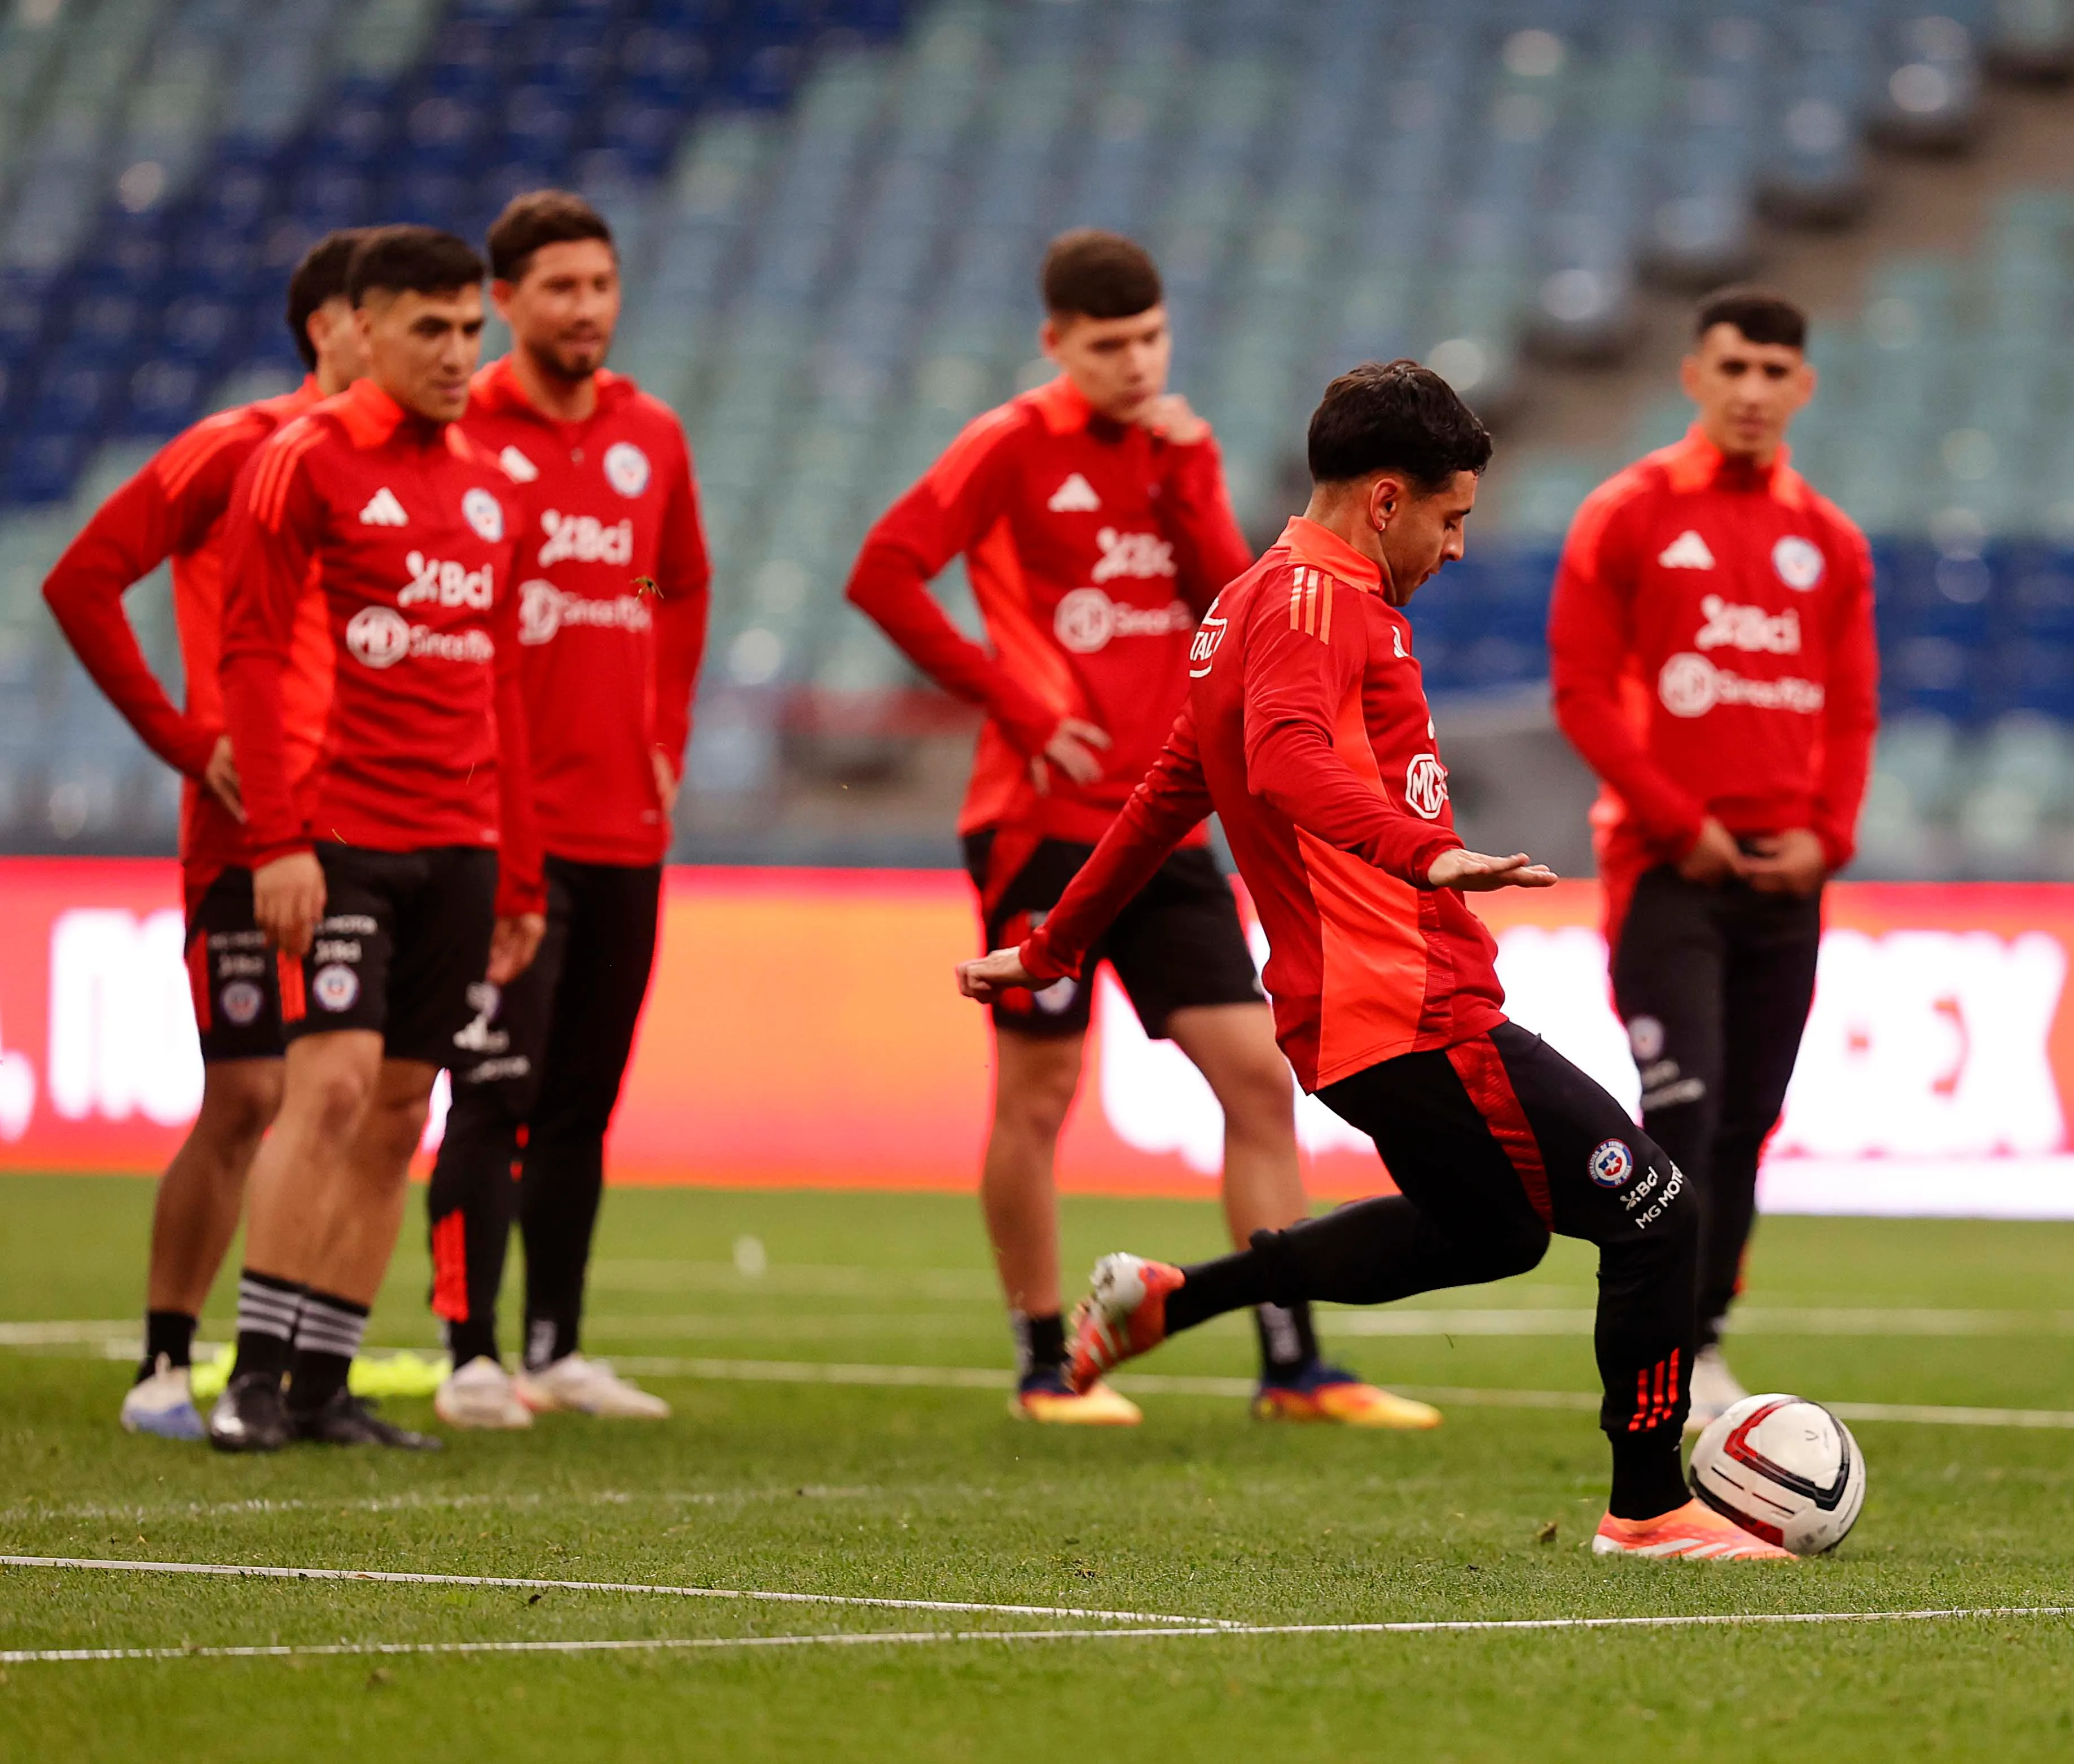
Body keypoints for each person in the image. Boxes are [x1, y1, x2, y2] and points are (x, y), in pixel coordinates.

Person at [960, 361, 1790, 1560]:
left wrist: (1047, 945)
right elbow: (1291, 759)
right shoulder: (1313, 600)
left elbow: (1160, 800)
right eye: (1452, 520)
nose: (1458, 548)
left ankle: (1177, 1297)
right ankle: (1648, 1508)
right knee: (1658, 1214)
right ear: (1388, 500)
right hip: (1404, 1001)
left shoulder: (1246, 603)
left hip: (1358, 1017)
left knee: (1495, 1233)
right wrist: (1425, 854)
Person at [847, 230, 1428, 1428]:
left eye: (1150, 339)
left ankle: (1291, 1368)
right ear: (1055, 344)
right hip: (1037, 822)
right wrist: (1015, 701)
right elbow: (885, 572)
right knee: (1038, 1093)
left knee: (1258, 1083)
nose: (1134, 364)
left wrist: (1184, 484)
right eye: (1107, 346)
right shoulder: (1008, 446)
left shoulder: (1179, 452)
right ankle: (1038, 1365)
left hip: (1166, 820)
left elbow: (1234, 600)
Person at [209, 225, 545, 1453]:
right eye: (431, 330)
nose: (461, 354)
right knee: (334, 1084)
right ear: (364, 326)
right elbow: (249, 650)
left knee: (406, 1103)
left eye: (471, 330)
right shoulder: (301, 462)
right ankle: (250, 1375)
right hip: (341, 833)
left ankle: (323, 1383)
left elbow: (502, 678)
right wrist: (279, 839)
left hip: (460, 841)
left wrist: (518, 866)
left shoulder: (490, 484)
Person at [41, 230, 372, 1439]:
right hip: (244, 828)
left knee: (358, 1092)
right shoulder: (233, 450)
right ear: (327, 329)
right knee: (244, 1092)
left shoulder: (419, 473)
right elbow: (81, 577)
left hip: (378, 826)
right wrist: (186, 740)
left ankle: (296, 1370)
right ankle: (164, 1365)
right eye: (376, 316)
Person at [1547, 287, 1878, 1427]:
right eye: (1731, 367)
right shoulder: (1627, 513)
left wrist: (1826, 841)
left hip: (1785, 883)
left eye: (1773, 371)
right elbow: (1582, 694)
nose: (1750, 391)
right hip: (1663, 874)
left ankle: (1701, 1342)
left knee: (1744, 1123)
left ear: (1802, 387)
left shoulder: (1827, 541)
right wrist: (1674, 818)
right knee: (1677, 1115)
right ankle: (1652, 1354)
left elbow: (1849, 712)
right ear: (1693, 375)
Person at [422, 189, 709, 1431]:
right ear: (504, 302)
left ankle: (556, 1347)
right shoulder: (466, 432)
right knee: (494, 1093)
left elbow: (673, 578)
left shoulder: (649, 434)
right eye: (559, 289)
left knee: (586, 1099)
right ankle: (463, 1349)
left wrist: (663, 730)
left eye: (600, 285)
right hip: (501, 831)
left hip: (623, 829)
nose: (585, 308)